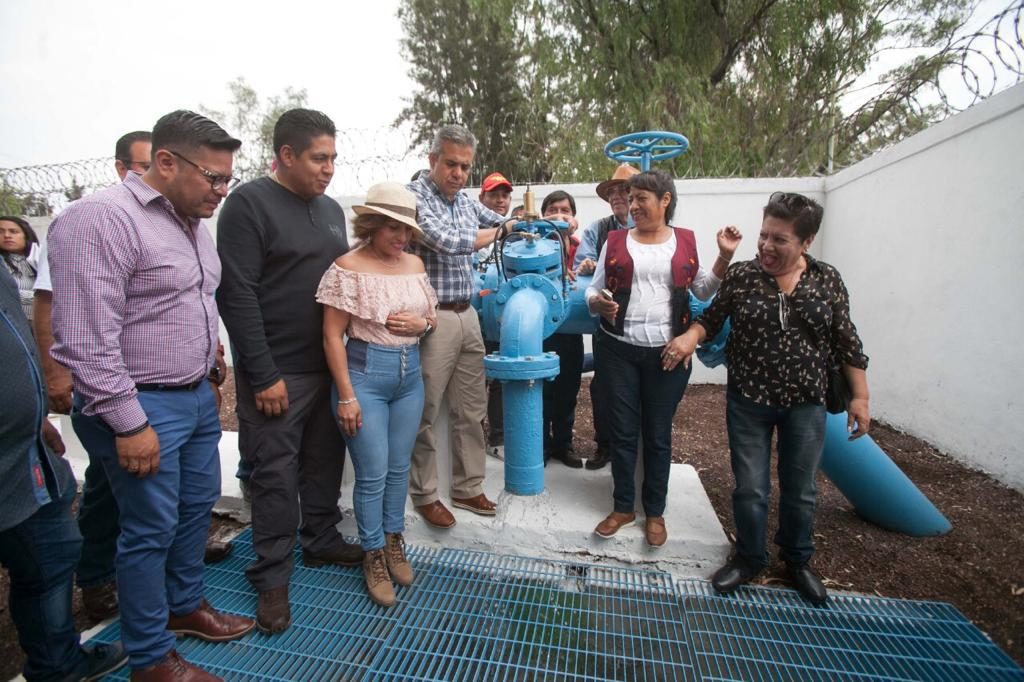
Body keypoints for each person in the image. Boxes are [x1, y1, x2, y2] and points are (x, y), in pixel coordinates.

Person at [49, 110, 254, 680]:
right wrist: (128, 423)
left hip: (192, 397)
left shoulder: (191, 222)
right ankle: (149, 656)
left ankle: (185, 605)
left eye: (227, 179)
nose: (221, 190)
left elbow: (192, 300)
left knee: (194, 512)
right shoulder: (100, 221)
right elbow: (87, 340)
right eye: (213, 178)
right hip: (140, 405)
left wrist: (209, 364)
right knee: (148, 529)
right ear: (165, 162)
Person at [675, 191, 870, 605]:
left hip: (806, 402)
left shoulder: (827, 280)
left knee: (801, 489)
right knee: (750, 487)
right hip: (749, 400)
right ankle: (749, 558)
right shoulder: (744, 275)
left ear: (806, 242)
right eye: (763, 235)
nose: (766, 246)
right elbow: (711, 318)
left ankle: (796, 561)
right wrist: (690, 338)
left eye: (779, 239)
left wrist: (861, 398)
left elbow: (846, 340)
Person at [216, 108, 358, 635]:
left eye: (333, 158)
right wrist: (262, 374)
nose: (329, 169)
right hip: (277, 374)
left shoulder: (329, 211)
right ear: (287, 155)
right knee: (275, 478)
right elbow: (237, 293)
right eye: (319, 158)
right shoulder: (248, 205)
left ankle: (320, 539)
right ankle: (271, 577)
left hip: (328, 365)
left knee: (324, 461)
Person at [32, 130, 156, 625]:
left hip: (152, 383)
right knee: (108, 487)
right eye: (143, 167)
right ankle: (97, 578)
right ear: (122, 168)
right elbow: (49, 306)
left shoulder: (168, 224)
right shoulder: (86, 220)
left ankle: (146, 576)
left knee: (138, 488)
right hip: (104, 386)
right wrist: (56, 376)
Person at [587, 169, 742, 547]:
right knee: (622, 432)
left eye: (641, 198)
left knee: (657, 434)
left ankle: (654, 512)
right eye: (632, 198)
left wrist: (723, 257)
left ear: (665, 201)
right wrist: (598, 304)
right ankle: (624, 506)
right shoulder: (616, 239)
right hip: (618, 349)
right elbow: (592, 292)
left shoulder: (684, 241)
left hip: (668, 355)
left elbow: (702, 288)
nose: (634, 205)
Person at [0, 267, 128, 682]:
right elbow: (46, 306)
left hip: (25, 449)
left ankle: (58, 664)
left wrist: (33, 413)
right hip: (15, 456)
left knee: (52, 554)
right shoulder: (83, 228)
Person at [318, 182, 438, 607]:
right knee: (373, 472)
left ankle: (392, 541)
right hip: (364, 374)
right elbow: (332, 336)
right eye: (391, 228)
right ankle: (372, 553)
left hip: (409, 378)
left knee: (398, 468)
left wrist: (421, 326)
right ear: (370, 225)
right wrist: (347, 396)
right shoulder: (347, 267)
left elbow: (432, 320)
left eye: (406, 230)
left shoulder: (415, 266)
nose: (401, 237)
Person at [407, 124, 516, 529]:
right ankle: (425, 493)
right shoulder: (416, 197)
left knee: (471, 408)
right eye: (451, 163)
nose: (458, 173)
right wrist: (503, 229)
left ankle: (468, 487)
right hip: (432, 318)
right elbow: (448, 240)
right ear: (432, 159)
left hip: (468, 314)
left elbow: (502, 217)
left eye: (465, 167)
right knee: (426, 409)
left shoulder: (465, 201)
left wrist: (527, 221)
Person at [572, 163, 639, 470]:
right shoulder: (597, 230)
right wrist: (587, 265)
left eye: (623, 190)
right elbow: (585, 262)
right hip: (607, 321)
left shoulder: (652, 229)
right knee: (604, 385)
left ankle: (633, 452)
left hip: (642, 322)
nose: (617, 196)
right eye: (612, 191)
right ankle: (605, 446)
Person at [539, 190, 585, 468]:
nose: (558, 214)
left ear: (573, 216)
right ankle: (541, 445)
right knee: (542, 390)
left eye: (565, 210)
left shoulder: (581, 247)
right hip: (541, 331)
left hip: (571, 331)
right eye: (552, 209)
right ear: (542, 215)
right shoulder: (528, 244)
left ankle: (563, 445)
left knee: (568, 389)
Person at [477, 171, 514, 455]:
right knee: (473, 382)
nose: (500, 200)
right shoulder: (472, 234)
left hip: (505, 320)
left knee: (502, 381)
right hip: (475, 318)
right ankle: (473, 440)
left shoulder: (515, 236)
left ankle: (498, 439)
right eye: (494, 194)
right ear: (482, 198)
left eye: (504, 195)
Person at [0, 215, 40, 323]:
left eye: (13, 231)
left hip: (41, 322)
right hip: (12, 325)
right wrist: (40, 298)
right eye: (1, 232)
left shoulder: (41, 259)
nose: (7, 235)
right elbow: (5, 294)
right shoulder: (2, 263)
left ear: (26, 235)